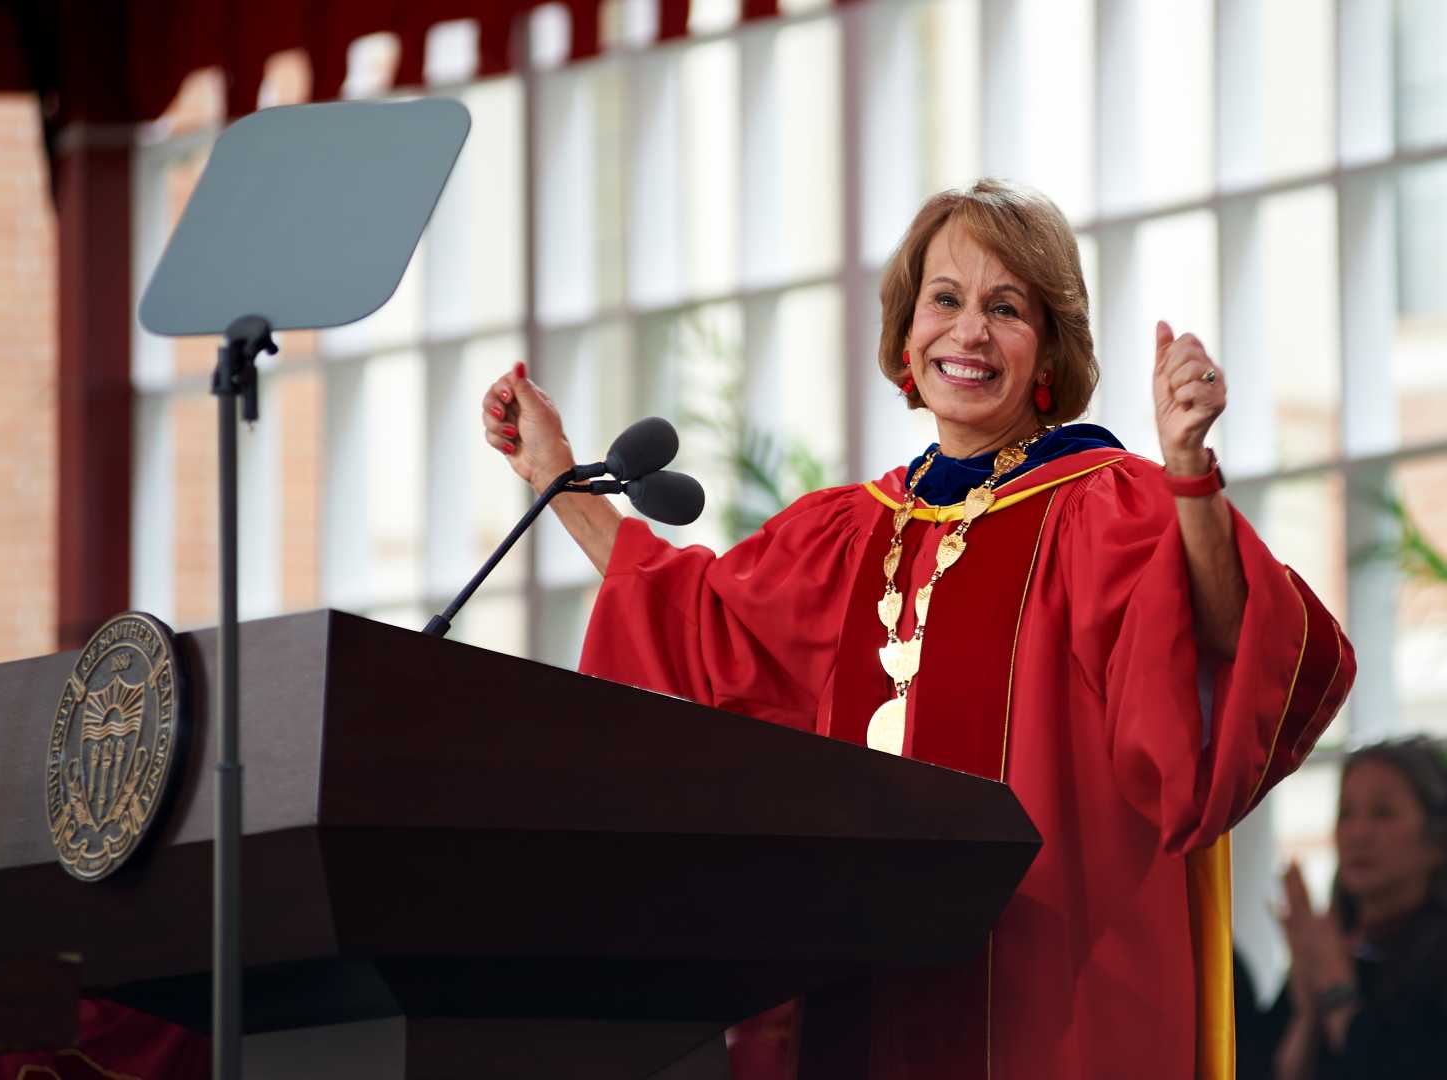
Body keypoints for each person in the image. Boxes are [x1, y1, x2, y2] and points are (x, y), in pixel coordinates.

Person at [480, 180, 1354, 1079]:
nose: (968, 332)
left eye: (1005, 307)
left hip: (1054, 995)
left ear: (1049, 352)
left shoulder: (1104, 504)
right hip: (868, 993)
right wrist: (555, 475)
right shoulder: (849, 533)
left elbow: (1222, 636)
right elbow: (692, 622)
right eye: (945, 300)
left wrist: (1188, 474)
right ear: (907, 339)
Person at [1261, 738, 1447, 1080]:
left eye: (1383, 813)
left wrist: (1338, 990)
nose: (1357, 834)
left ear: (1439, 839)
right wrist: (1307, 1010)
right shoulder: (1337, 950)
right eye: (1346, 814)